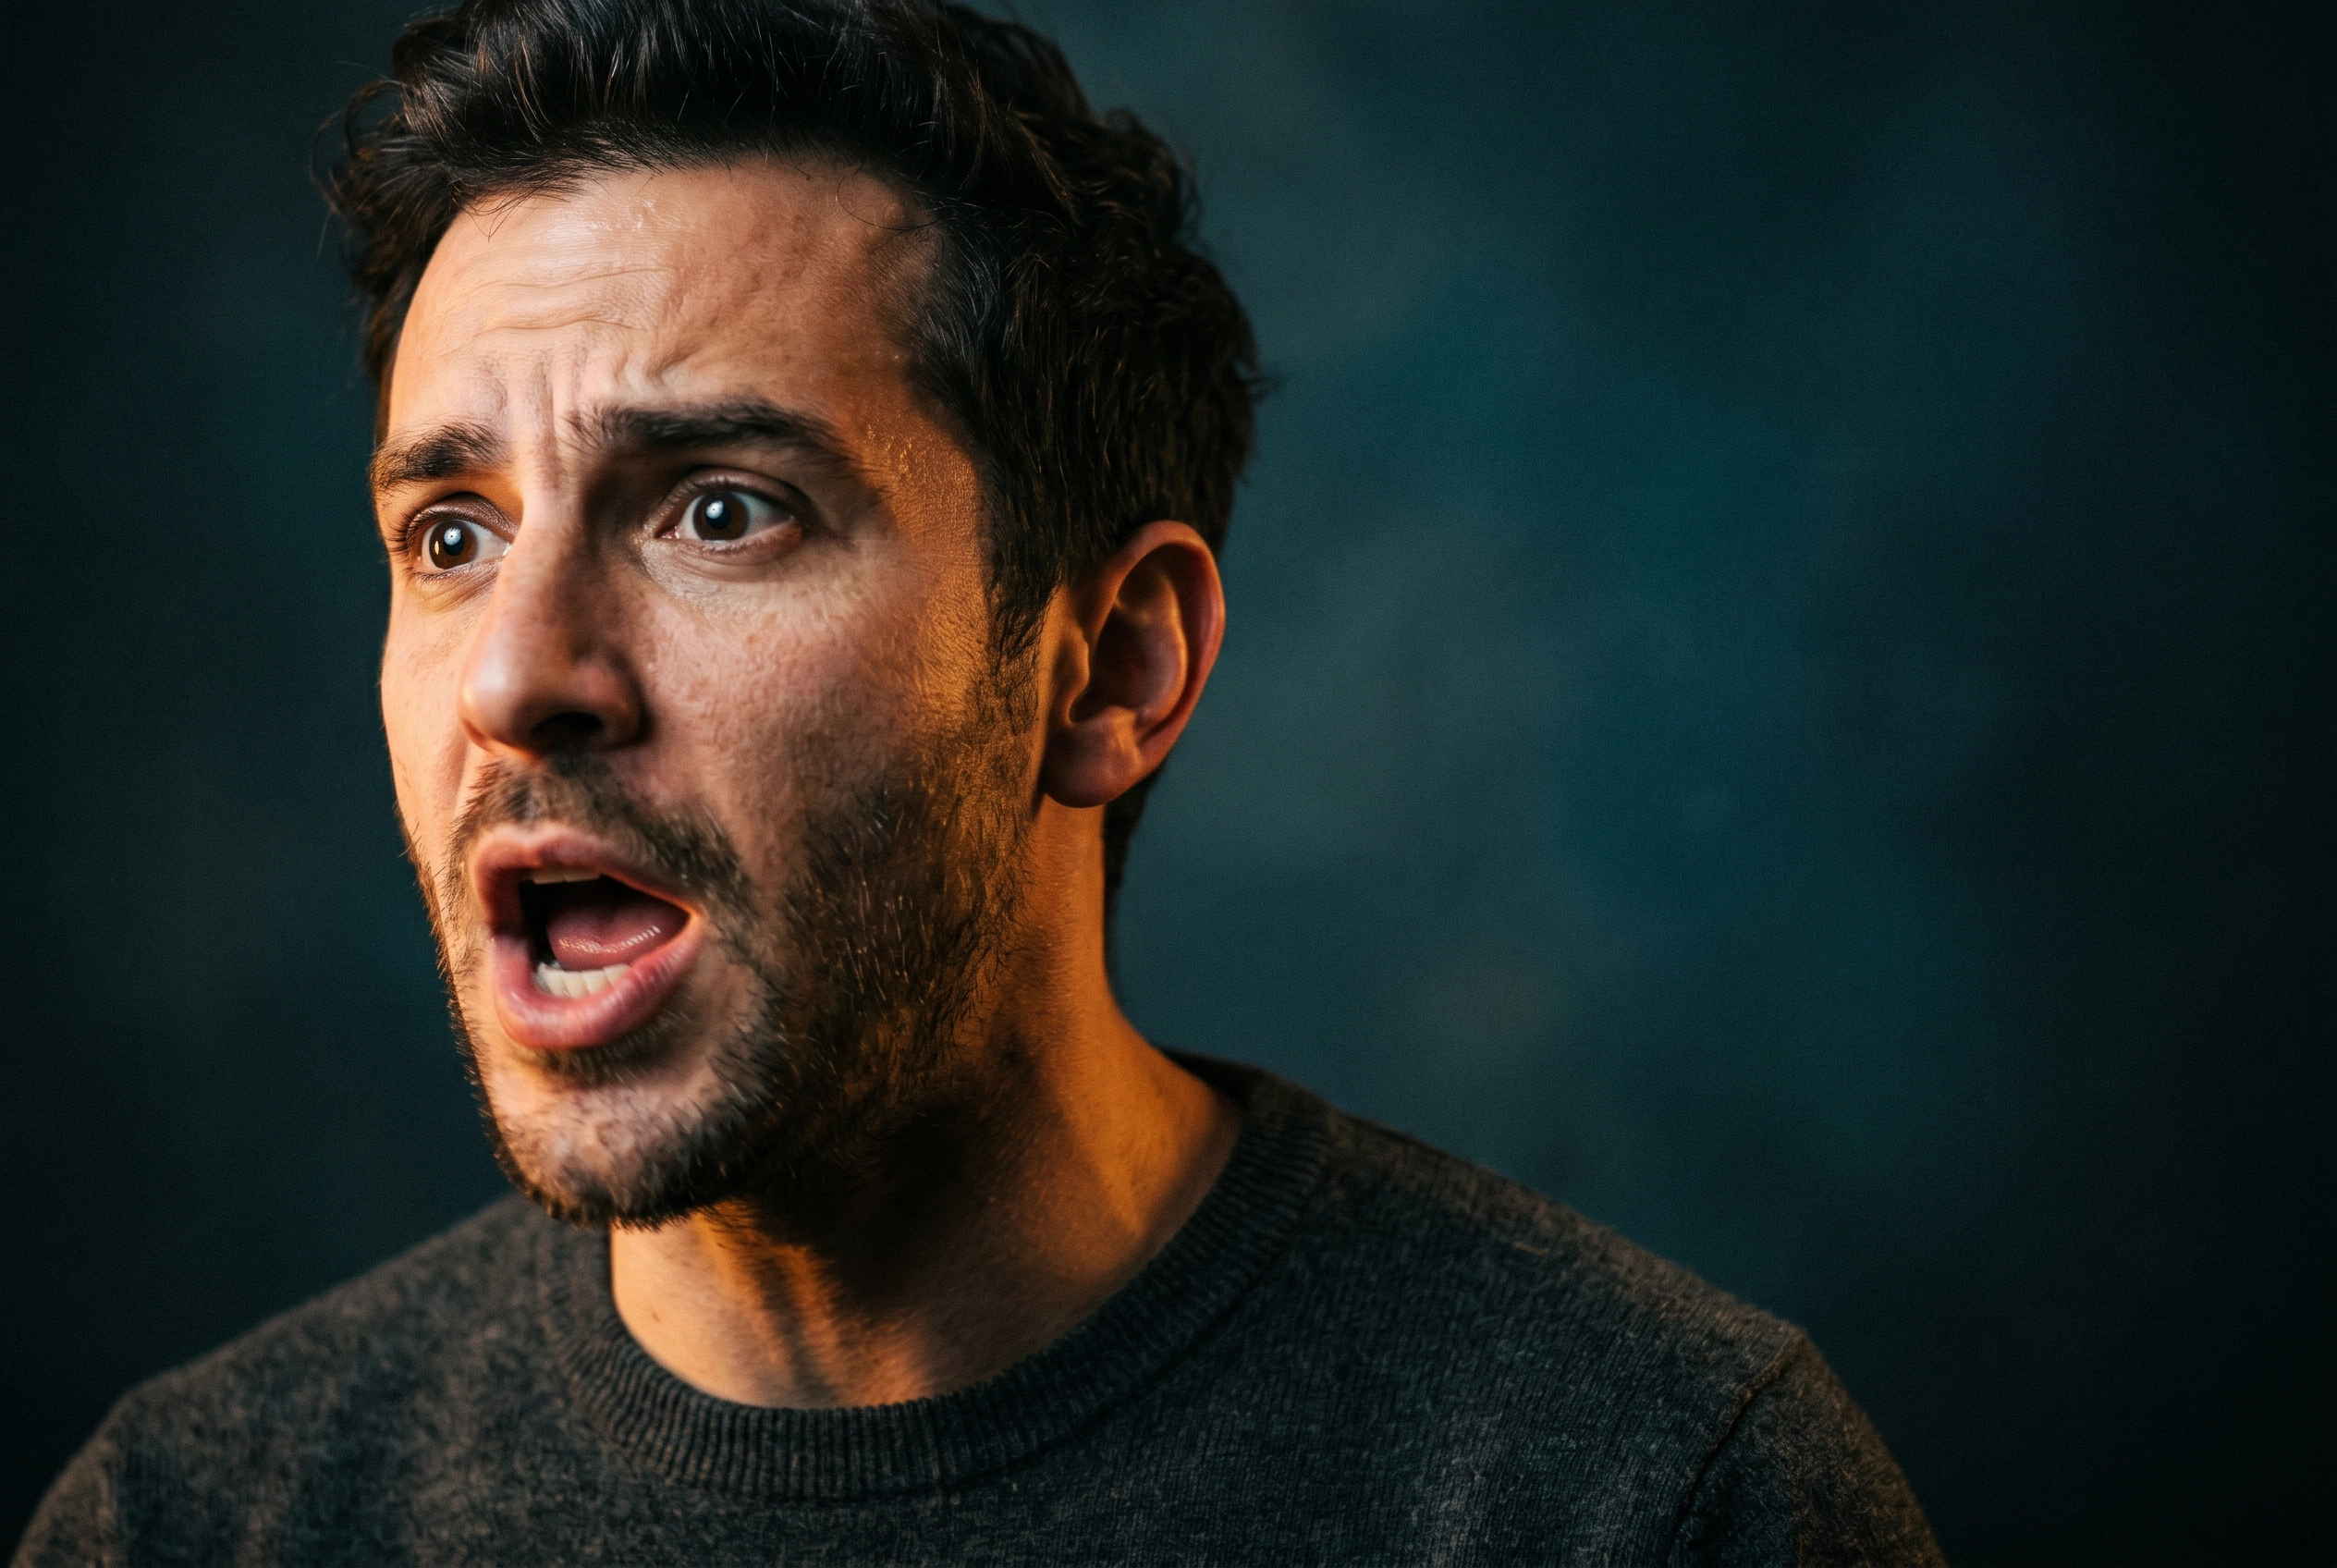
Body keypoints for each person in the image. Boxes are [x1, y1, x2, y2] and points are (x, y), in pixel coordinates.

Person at [16, 1, 1943, 1561]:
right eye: (449, 532)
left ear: (1107, 663)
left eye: (719, 508)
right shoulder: (199, 1515)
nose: (518, 674)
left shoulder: (1650, 1494)